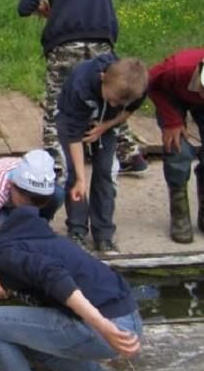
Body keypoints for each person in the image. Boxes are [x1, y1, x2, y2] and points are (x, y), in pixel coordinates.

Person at [0, 208, 141, 371]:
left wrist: (103, 326)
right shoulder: (22, 235)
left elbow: (54, 276)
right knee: (33, 343)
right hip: (127, 318)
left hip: (109, 329)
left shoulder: (2, 256)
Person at [17, 0, 146, 177]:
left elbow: (24, 7)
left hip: (65, 43)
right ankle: (130, 153)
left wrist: (44, 11)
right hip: (102, 42)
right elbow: (87, 1)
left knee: (58, 103)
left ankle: (54, 163)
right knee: (109, 96)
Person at [57, 54, 148, 254]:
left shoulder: (137, 86)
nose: (115, 104)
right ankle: (77, 230)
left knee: (105, 173)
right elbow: (73, 137)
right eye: (113, 99)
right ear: (102, 77)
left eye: (119, 103)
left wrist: (106, 125)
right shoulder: (81, 83)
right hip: (72, 120)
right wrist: (81, 178)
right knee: (74, 175)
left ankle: (104, 234)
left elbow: (127, 110)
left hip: (106, 124)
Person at [0, 149, 61, 298]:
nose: (32, 207)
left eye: (39, 200)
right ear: (12, 185)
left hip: (9, 196)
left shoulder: (42, 180)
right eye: (26, 201)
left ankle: (35, 229)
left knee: (59, 194)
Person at [147, 48, 204, 243]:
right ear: (199, 72)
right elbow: (150, 84)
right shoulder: (175, 70)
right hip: (172, 97)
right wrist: (172, 120)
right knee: (177, 150)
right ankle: (180, 215)